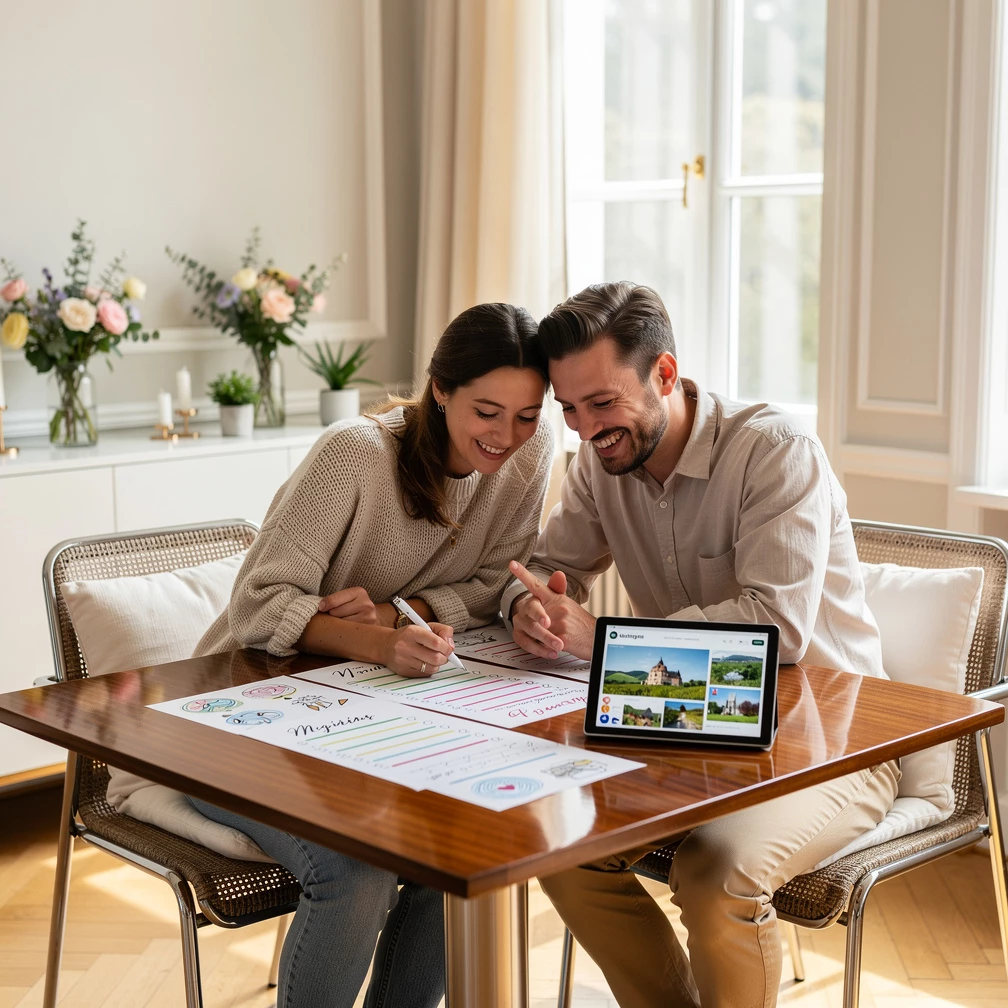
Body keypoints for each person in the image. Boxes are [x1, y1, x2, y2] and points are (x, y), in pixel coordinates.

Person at [500, 282, 898, 1008]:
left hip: (831, 742)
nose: (586, 430)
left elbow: (774, 629)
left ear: (665, 374)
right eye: (570, 410)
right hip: (688, 728)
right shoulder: (599, 462)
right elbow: (554, 573)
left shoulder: (775, 451)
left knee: (717, 873)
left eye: (603, 404)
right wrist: (535, 607)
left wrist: (602, 641)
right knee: (558, 844)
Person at [184, 303, 554, 1008]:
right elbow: (258, 608)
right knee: (355, 870)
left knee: (463, 842)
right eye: (486, 411)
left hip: (375, 713)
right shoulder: (353, 454)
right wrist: (381, 643)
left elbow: (494, 580)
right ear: (439, 389)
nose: (507, 437)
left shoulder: (531, 452)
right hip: (238, 717)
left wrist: (390, 615)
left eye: (527, 415)